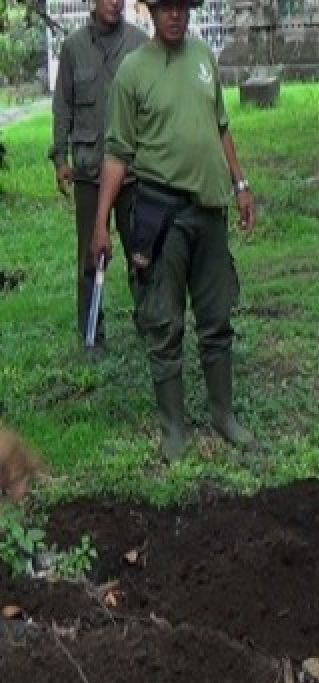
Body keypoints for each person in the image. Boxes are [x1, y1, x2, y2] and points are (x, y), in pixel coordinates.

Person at [91, 0, 256, 463]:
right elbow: (117, 152)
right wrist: (101, 224)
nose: (175, 16)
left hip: (210, 211)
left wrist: (240, 183)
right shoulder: (132, 71)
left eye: (182, 7)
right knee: (164, 323)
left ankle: (223, 415)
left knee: (217, 317)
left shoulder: (204, 58)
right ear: (152, 11)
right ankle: (173, 430)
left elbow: (220, 126)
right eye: (166, 7)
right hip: (161, 215)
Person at [49, 0, 148, 355]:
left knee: (142, 251)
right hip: (90, 171)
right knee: (92, 255)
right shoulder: (74, 47)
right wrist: (60, 157)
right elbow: (63, 106)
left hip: (133, 172)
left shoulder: (139, 43)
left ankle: (149, 322)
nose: (114, 2)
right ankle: (92, 333)